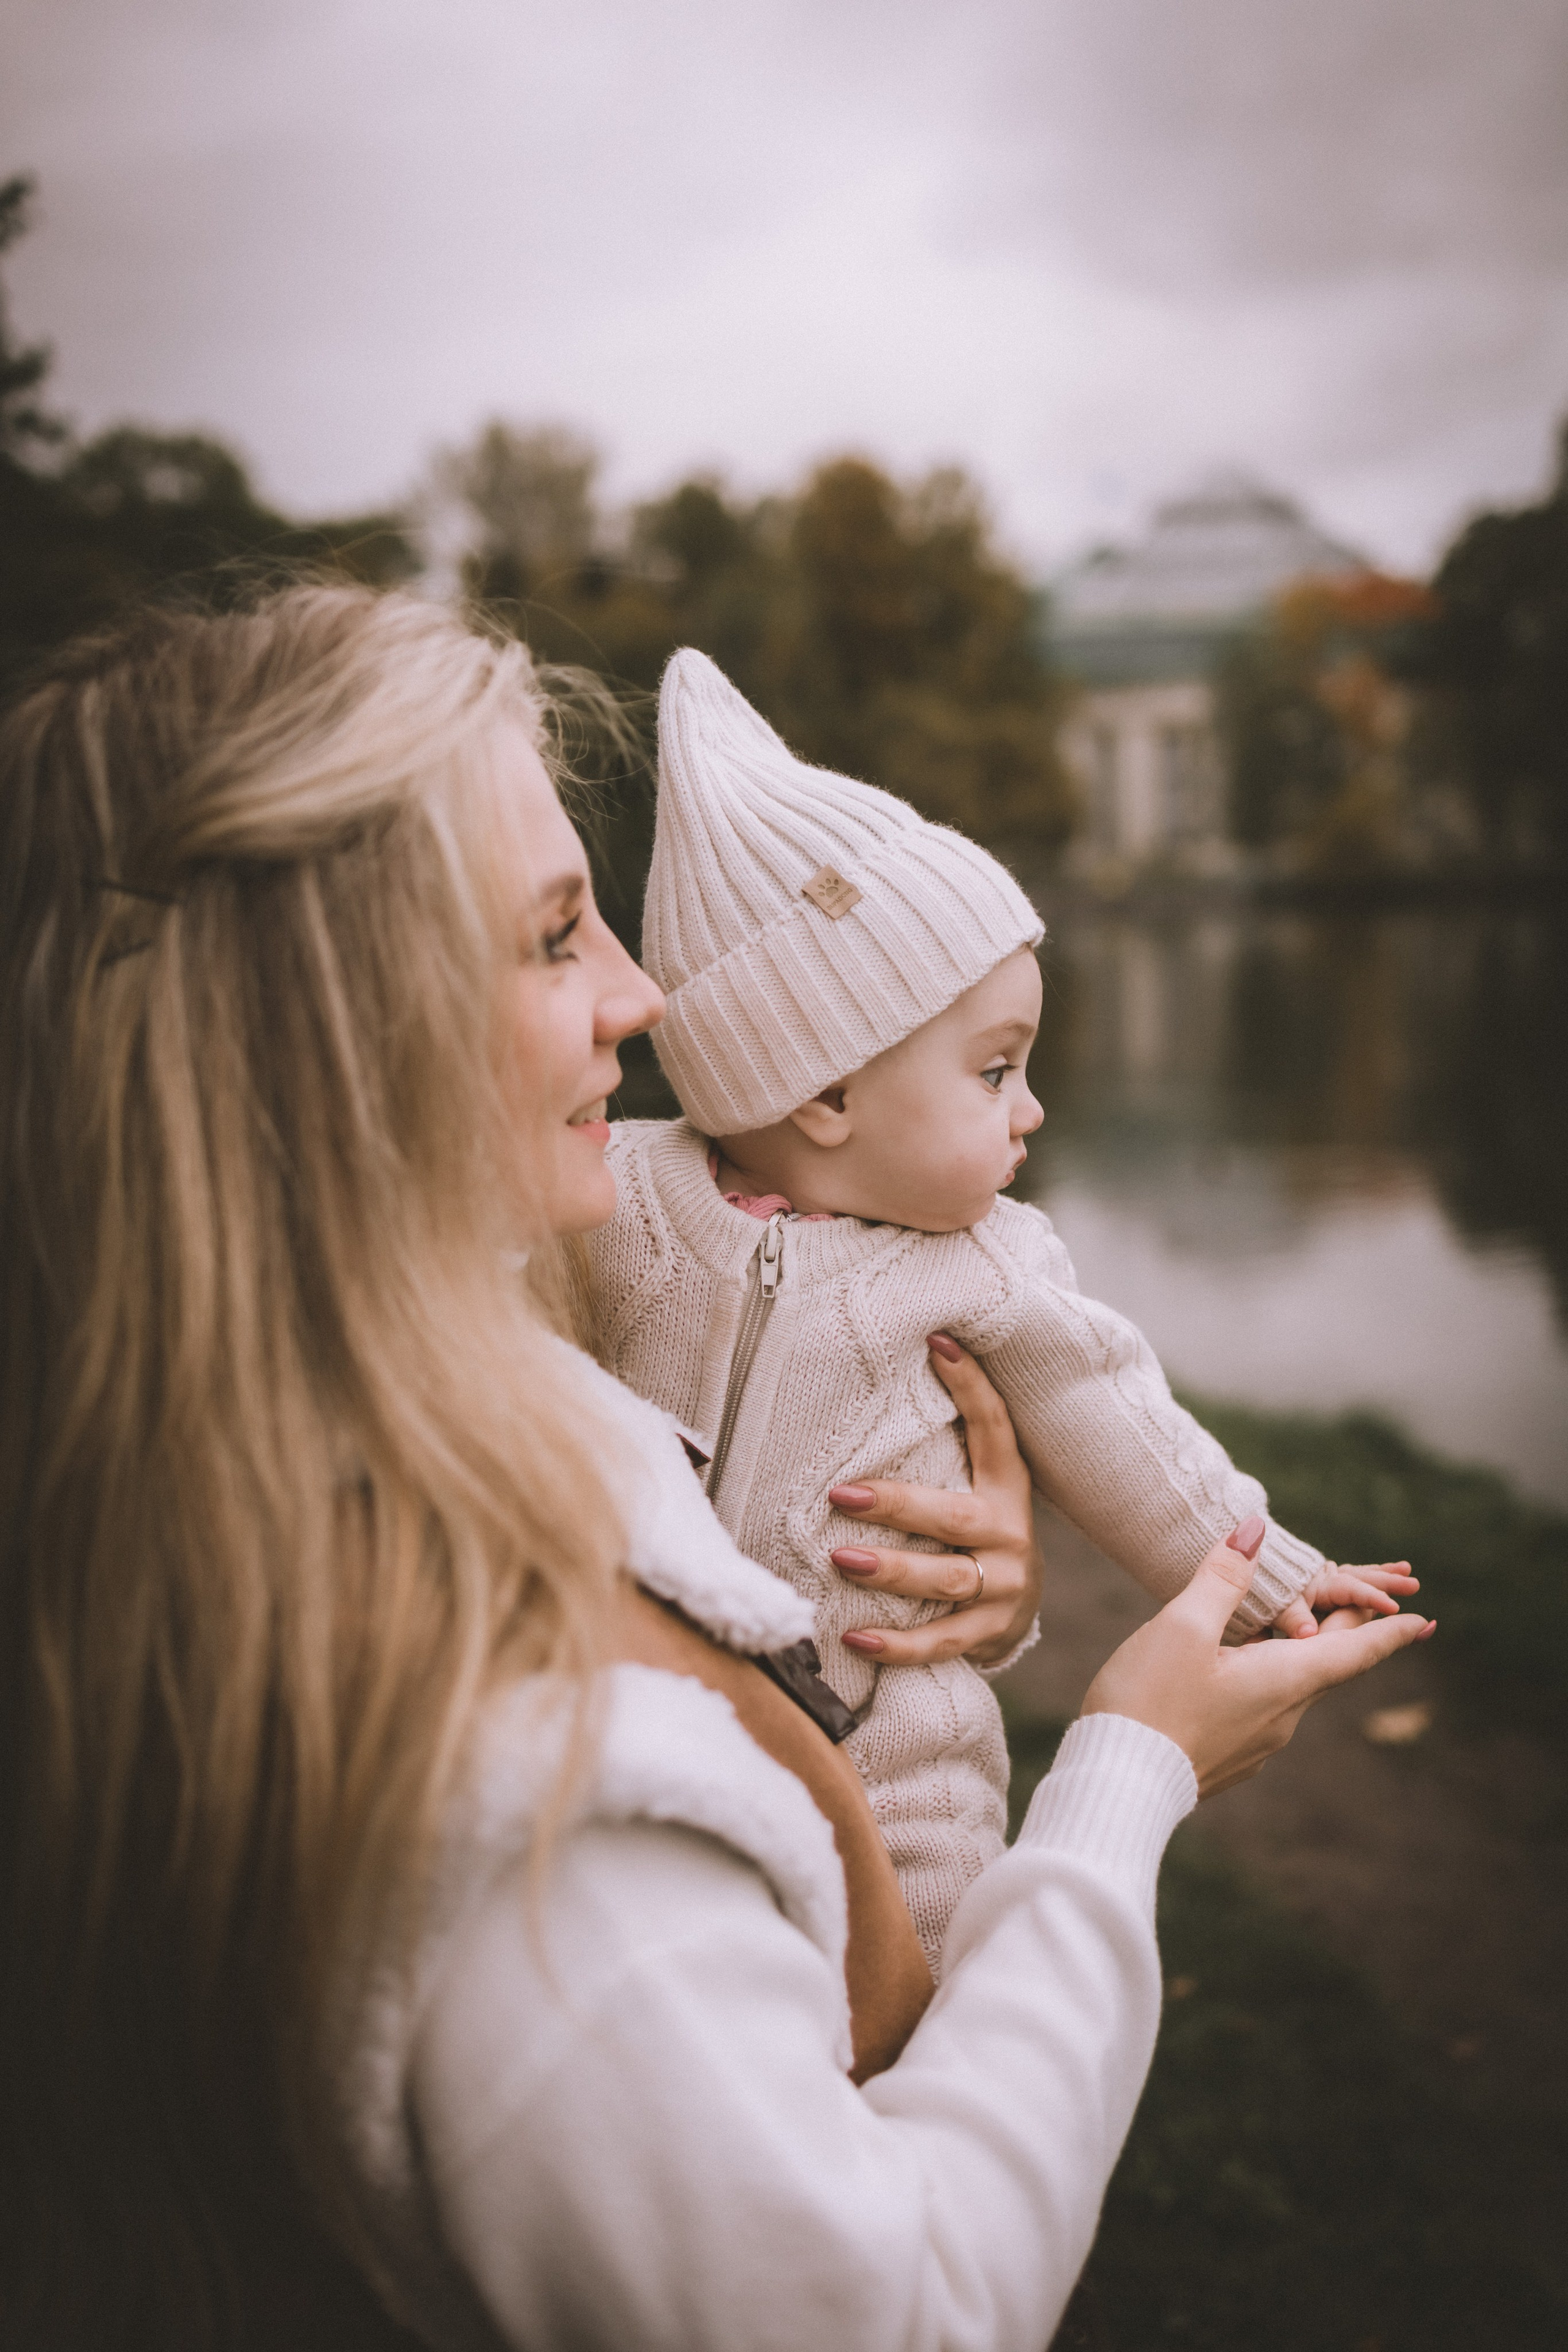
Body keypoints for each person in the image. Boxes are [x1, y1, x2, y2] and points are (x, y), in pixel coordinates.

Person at [0, 585, 1433, 2352]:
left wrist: (974, 1593)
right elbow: (899, 2313)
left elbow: (1122, 1441)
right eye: (549, 940)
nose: (642, 991)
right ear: (325, 1029)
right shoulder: (550, 1785)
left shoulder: (182, 1464)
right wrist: (1130, 1767)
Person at [586, 648, 1420, 1963]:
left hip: (889, 1756)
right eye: (993, 1072)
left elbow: (1126, 1437)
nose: (1030, 1110)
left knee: (914, 1985)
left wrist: (1275, 1588)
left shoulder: (986, 1264)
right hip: (633, 1731)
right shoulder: (621, 1196)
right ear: (821, 1093)